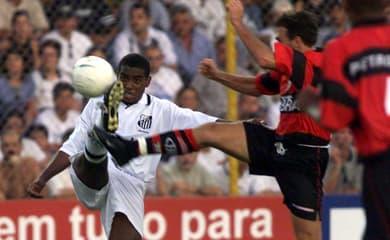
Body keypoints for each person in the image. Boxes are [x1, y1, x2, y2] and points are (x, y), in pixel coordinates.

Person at [92, 2, 330, 240]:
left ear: (297, 42)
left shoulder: (313, 62)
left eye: (281, 40)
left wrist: (237, 22)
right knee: (210, 132)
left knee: (308, 237)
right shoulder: (291, 71)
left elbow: (265, 58)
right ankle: (130, 149)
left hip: (305, 156)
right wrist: (218, 76)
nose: (277, 45)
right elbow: (257, 86)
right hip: (278, 143)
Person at [28, 53, 217, 239]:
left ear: (147, 82)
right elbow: (71, 147)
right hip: (92, 177)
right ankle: (99, 138)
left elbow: (209, 124)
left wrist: (241, 128)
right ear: (117, 77)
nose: (129, 85)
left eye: (137, 80)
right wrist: (42, 179)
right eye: (124, 78)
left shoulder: (162, 110)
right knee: (89, 150)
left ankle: (100, 137)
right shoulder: (96, 103)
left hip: (130, 183)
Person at [297, 0, 390, 239]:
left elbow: (334, 119)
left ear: (346, 8)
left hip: (382, 161)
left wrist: (310, 103)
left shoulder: (341, 48)